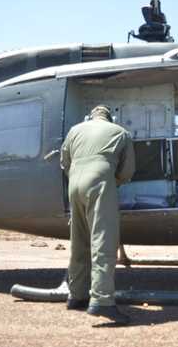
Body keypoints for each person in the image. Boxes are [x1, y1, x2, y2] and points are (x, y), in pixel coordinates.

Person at [60, 105, 135, 326]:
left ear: (90, 116)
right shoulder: (120, 132)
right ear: (109, 117)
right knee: (103, 241)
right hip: (100, 181)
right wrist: (112, 182)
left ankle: (76, 295)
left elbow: (64, 162)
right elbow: (128, 170)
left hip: (74, 183)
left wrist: (77, 176)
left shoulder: (75, 130)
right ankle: (102, 301)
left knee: (79, 240)